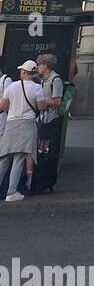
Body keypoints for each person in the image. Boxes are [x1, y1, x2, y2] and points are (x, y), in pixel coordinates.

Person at [0, 61, 46, 201]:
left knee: (4, 157)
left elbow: (3, 105)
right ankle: (11, 191)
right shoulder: (37, 88)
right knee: (19, 158)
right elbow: (41, 107)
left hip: (11, 123)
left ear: (24, 72)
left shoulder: (12, 86)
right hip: (27, 123)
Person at [33, 53, 64, 195]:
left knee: (46, 150)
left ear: (46, 65)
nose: (38, 67)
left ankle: (46, 180)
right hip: (42, 118)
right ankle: (39, 179)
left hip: (50, 119)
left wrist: (44, 102)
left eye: (39, 64)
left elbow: (57, 101)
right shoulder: (42, 80)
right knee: (39, 148)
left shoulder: (55, 80)